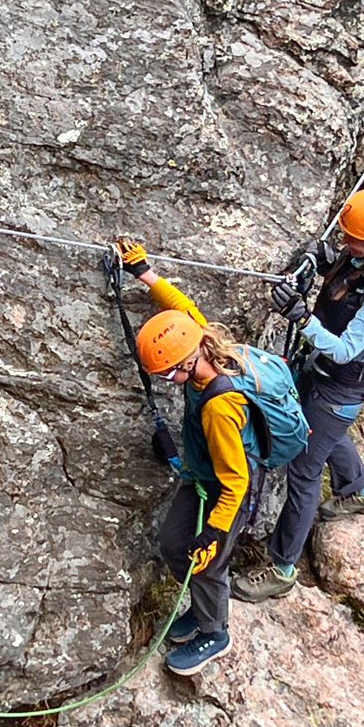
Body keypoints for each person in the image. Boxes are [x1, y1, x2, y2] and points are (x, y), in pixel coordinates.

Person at [238, 190, 364, 601]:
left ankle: (282, 568)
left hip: (341, 382)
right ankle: (362, 491)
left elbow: (345, 348)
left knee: (304, 472)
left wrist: (301, 318)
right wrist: (324, 261)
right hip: (327, 380)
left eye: (352, 239)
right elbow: (347, 276)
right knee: (326, 432)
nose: (346, 244)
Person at [115, 238, 263, 676]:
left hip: (227, 490)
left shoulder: (219, 405)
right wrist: (143, 270)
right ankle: (201, 607)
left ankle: (214, 631)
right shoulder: (199, 342)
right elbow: (182, 306)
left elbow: (235, 480)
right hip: (202, 475)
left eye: (165, 374)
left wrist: (214, 532)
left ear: (184, 364)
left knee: (208, 562)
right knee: (172, 545)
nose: (164, 380)